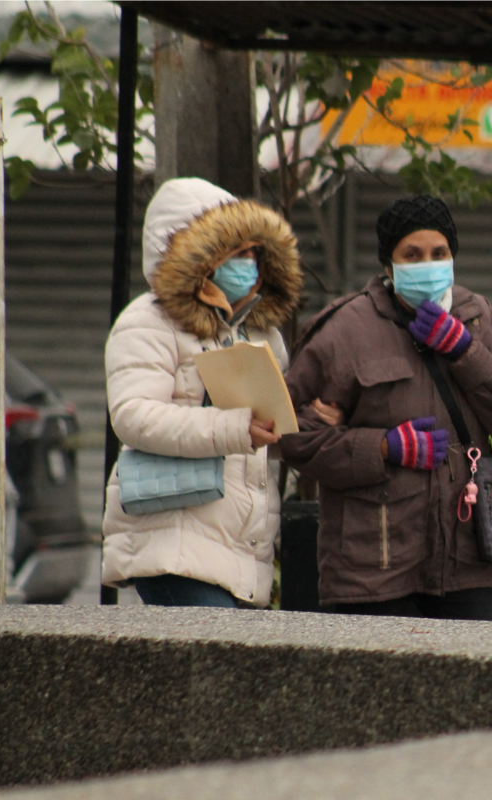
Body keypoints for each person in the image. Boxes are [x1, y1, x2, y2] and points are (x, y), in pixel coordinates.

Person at [280, 195, 492, 621]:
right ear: (388, 266)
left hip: (468, 565)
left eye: (438, 253)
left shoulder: (477, 318)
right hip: (372, 570)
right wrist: (382, 448)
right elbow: (286, 431)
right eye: (412, 254)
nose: (428, 265)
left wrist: (466, 349)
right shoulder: (345, 330)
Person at [102, 177, 303, 607]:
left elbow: (273, 428)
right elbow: (133, 416)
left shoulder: (261, 331)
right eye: (236, 252)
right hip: (173, 548)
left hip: (242, 551)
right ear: (197, 253)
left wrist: (300, 424)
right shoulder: (148, 321)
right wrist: (235, 427)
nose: (249, 263)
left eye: (253, 252)